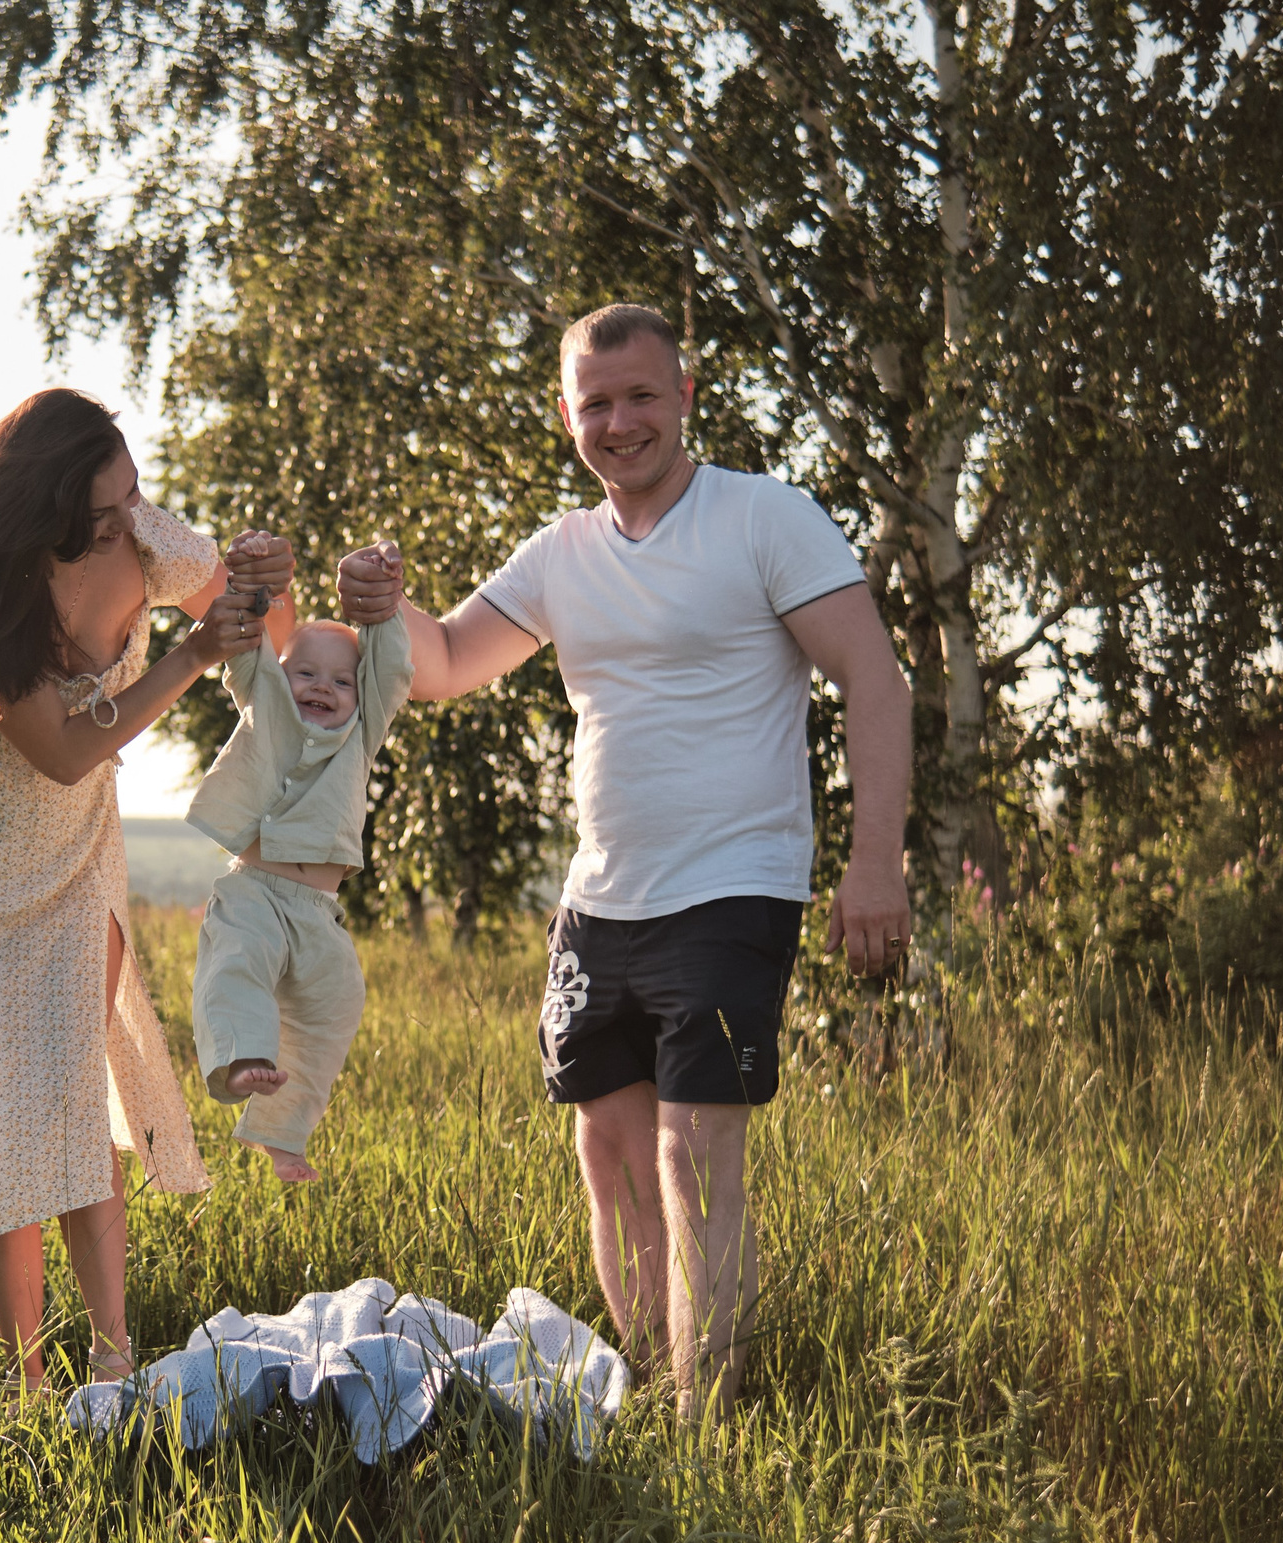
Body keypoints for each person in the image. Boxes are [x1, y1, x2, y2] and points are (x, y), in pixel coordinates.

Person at [336, 304, 912, 1418]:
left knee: (694, 1156)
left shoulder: (764, 518)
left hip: (733, 888)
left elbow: (874, 681)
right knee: (608, 1153)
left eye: (640, 395)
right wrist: (379, 609)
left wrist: (873, 862)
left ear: (684, 395)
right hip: (599, 903)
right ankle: (647, 1393)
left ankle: (706, 1422)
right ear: (567, 417)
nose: (619, 421)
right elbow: (449, 660)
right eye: (595, 403)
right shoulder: (561, 552)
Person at [0, 387, 296, 1394]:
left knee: (66, 1092)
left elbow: (273, 626)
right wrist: (188, 654)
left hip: (70, 859)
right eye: (99, 514)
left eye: (131, 499)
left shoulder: (148, 539)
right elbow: (63, 751)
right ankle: (26, 1378)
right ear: (43, 509)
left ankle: (113, 1354)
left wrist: (268, 583)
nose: (124, 523)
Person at [184, 610, 413, 1183]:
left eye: (341, 682)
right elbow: (246, 656)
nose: (322, 687)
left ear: (362, 697)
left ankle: (283, 1137)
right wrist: (247, 585)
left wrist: (382, 606)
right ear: (277, 678)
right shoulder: (267, 715)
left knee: (332, 1013)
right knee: (238, 965)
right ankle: (244, 1060)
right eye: (305, 673)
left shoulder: (362, 734)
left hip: (319, 916)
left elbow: (389, 667)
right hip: (255, 893)